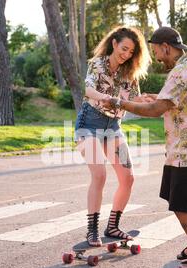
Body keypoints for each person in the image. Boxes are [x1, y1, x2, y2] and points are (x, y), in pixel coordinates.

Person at [102, 26, 187, 268]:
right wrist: (152, 97)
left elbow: (156, 110)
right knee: (176, 200)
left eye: (156, 51)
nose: (157, 57)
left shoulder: (180, 73)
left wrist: (120, 102)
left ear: (166, 46)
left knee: (181, 207)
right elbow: (175, 99)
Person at [75, 26, 151, 247]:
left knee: (128, 177)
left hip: (113, 127)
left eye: (131, 52)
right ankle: (92, 231)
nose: (126, 54)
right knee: (99, 175)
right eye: (124, 48)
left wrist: (153, 101)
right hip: (88, 124)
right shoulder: (97, 64)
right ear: (114, 43)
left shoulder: (129, 72)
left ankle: (113, 226)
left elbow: (135, 99)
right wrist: (107, 98)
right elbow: (88, 90)